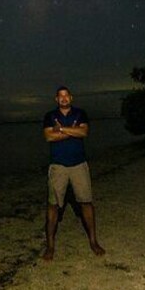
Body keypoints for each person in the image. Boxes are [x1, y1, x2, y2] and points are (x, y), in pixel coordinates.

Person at [42, 86, 105, 260]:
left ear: (71, 97)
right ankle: (50, 246)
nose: (63, 98)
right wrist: (72, 131)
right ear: (56, 99)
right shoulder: (49, 116)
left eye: (66, 96)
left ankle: (93, 241)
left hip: (79, 165)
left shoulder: (80, 113)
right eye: (60, 96)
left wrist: (61, 129)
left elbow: (84, 132)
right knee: (53, 205)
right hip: (58, 167)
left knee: (86, 203)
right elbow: (48, 137)